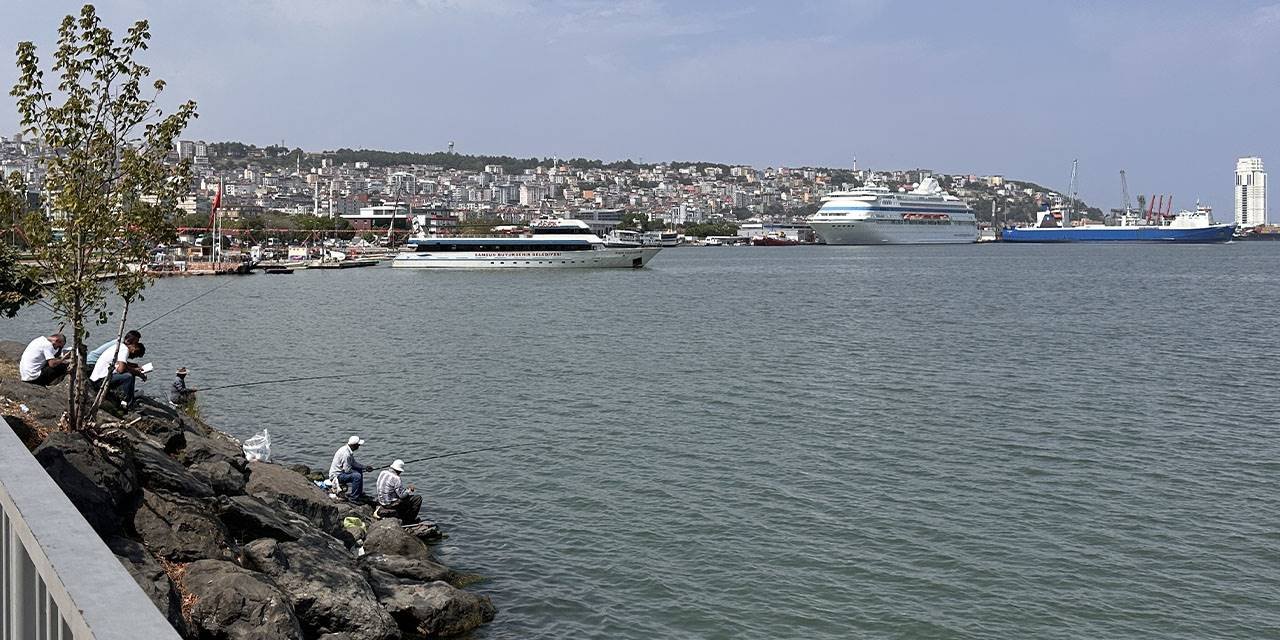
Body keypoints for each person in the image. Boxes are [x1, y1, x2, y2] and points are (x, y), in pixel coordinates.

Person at [89, 340, 146, 409]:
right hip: (99, 381)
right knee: (128, 377)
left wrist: (134, 369)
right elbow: (121, 369)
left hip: (99, 378)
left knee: (130, 374)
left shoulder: (120, 347)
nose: (133, 357)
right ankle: (128, 404)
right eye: (136, 354)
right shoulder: (124, 350)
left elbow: (122, 365)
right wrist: (138, 373)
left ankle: (129, 401)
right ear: (134, 347)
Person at [328, 436, 370, 503]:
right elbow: (347, 470)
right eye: (358, 445)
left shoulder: (347, 450)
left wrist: (364, 467)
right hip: (336, 476)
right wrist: (358, 471)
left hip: (341, 473)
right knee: (357, 476)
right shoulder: (346, 454)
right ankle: (354, 498)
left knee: (358, 471)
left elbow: (353, 463)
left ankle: (359, 493)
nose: (359, 446)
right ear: (354, 445)